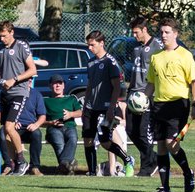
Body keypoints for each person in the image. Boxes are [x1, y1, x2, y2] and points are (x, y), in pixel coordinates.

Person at [143, 17, 195, 192]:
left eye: (167, 32)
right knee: (160, 146)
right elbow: (151, 83)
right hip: (159, 105)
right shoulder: (156, 57)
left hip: (178, 105)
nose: (163, 35)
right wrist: (143, 100)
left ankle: (187, 172)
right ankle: (165, 186)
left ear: (176, 34)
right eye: (161, 32)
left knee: (171, 144)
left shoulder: (185, 55)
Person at [83, 30, 136, 178]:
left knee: (105, 142)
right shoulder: (91, 62)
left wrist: (111, 108)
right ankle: (92, 172)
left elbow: (117, 87)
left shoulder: (110, 62)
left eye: (92, 45)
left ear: (102, 43)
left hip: (105, 107)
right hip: (90, 107)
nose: (90, 48)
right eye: (88, 45)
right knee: (88, 139)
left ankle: (127, 159)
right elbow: (90, 85)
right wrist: (85, 105)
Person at [0, 21, 38, 175]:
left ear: (11, 32)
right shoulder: (0, 49)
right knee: (5, 130)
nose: (1, 39)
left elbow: (32, 70)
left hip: (19, 92)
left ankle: (22, 161)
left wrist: (14, 80)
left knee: (10, 127)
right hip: (5, 94)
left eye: (4, 36)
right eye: (0, 36)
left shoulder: (21, 46)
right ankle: (13, 163)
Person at [127, 17, 159, 176]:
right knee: (130, 130)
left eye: (136, 32)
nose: (134, 36)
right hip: (133, 95)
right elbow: (135, 72)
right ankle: (153, 158)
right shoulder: (136, 48)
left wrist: (150, 94)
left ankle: (147, 167)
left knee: (143, 132)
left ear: (145, 30)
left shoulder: (156, 46)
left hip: (146, 96)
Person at [0, 86, 46, 175]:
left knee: (37, 134)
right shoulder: (10, 93)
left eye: (31, 79)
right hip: (14, 127)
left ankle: (35, 167)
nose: (29, 81)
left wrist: (36, 124)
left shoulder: (36, 95)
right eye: (27, 79)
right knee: (3, 133)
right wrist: (12, 122)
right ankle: (9, 165)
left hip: (29, 128)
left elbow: (42, 115)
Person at [44, 74, 82, 173]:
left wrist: (70, 114)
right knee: (59, 144)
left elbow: (80, 112)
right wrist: (50, 122)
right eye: (54, 84)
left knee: (73, 139)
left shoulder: (71, 99)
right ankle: (70, 164)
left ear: (63, 86)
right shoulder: (46, 101)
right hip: (54, 129)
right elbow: (39, 121)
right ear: (50, 86)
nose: (57, 86)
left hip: (69, 127)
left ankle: (64, 166)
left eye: (60, 83)